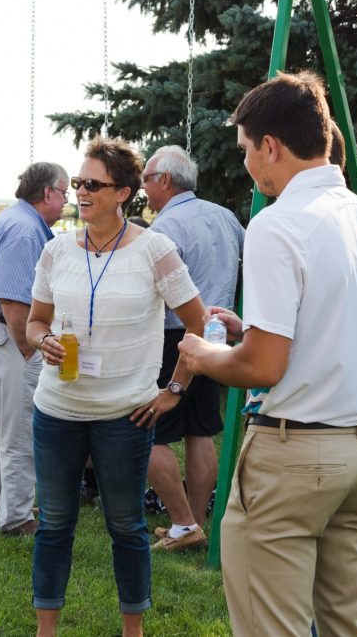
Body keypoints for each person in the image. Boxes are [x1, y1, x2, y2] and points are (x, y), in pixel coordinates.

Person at [178, 71, 357, 636]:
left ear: (271, 146)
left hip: (294, 455)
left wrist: (201, 355)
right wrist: (297, 348)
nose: (246, 166)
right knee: (352, 626)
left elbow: (263, 367)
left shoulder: (276, 224)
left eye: (245, 150)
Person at [26, 136, 206, 637]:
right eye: (77, 183)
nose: (80, 192)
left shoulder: (154, 250)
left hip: (125, 416)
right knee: (55, 524)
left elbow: (198, 324)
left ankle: (134, 631)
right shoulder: (56, 250)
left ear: (124, 192)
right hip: (57, 409)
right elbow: (35, 322)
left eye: (92, 185)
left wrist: (175, 389)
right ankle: (46, 631)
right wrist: (42, 341)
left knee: (125, 526)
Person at [142, 145, 245, 551]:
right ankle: (195, 523)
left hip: (175, 337)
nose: (144, 191)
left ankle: (184, 522)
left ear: (165, 180)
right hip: (216, 334)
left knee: (150, 430)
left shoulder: (164, 229)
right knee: (201, 431)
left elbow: (153, 292)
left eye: (147, 180)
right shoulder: (226, 217)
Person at [0, 161, 69, 535]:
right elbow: (14, 302)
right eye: (63, 193)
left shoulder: (15, 220)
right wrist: (30, 351)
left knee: (0, 425)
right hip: (12, 337)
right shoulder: (27, 230)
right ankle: (15, 517)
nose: (66, 202)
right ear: (47, 193)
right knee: (19, 430)